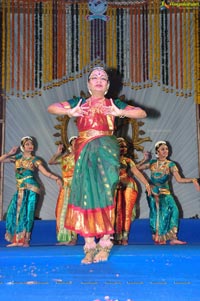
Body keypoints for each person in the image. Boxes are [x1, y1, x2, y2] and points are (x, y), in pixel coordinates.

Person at [47, 66, 147, 264]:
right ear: (89, 84)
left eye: (103, 78)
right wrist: (70, 111)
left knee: (105, 192)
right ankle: (89, 244)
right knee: (85, 193)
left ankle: (105, 242)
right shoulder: (80, 102)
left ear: (108, 85)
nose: (99, 79)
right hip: (84, 150)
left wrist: (121, 112)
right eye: (95, 77)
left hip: (106, 149)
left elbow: (142, 113)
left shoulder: (113, 103)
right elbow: (52, 108)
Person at [0, 136, 62, 247]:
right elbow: (1, 160)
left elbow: (45, 173)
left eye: (31, 144)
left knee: (28, 213)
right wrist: (9, 153)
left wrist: (56, 178)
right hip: (20, 189)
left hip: (32, 189)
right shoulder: (17, 158)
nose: (30, 146)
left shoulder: (35, 160)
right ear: (23, 146)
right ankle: (18, 239)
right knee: (13, 212)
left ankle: (26, 240)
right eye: (27, 144)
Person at [137, 140, 200, 245]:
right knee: (158, 214)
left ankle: (173, 237)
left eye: (167, 149)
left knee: (174, 211)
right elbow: (136, 169)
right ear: (157, 151)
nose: (166, 151)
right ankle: (160, 237)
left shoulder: (171, 164)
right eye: (162, 149)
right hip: (154, 193)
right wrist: (144, 159)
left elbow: (179, 179)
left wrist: (193, 180)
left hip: (166, 193)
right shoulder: (152, 163)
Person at [114, 137, 151, 245]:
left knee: (126, 212)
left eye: (125, 146)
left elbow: (137, 172)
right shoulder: (109, 159)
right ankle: (116, 236)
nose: (123, 148)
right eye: (121, 146)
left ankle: (124, 237)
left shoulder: (128, 161)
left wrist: (147, 184)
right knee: (116, 212)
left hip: (129, 186)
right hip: (115, 187)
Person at [48, 136, 78, 245]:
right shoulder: (65, 158)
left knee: (73, 212)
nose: (76, 144)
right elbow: (51, 162)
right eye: (74, 143)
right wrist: (58, 152)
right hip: (65, 187)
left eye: (78, 143)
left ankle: (73, 238)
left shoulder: (81, 157)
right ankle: (64, 238)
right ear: (70, 145)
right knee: (61, 212)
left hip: (75, 187)